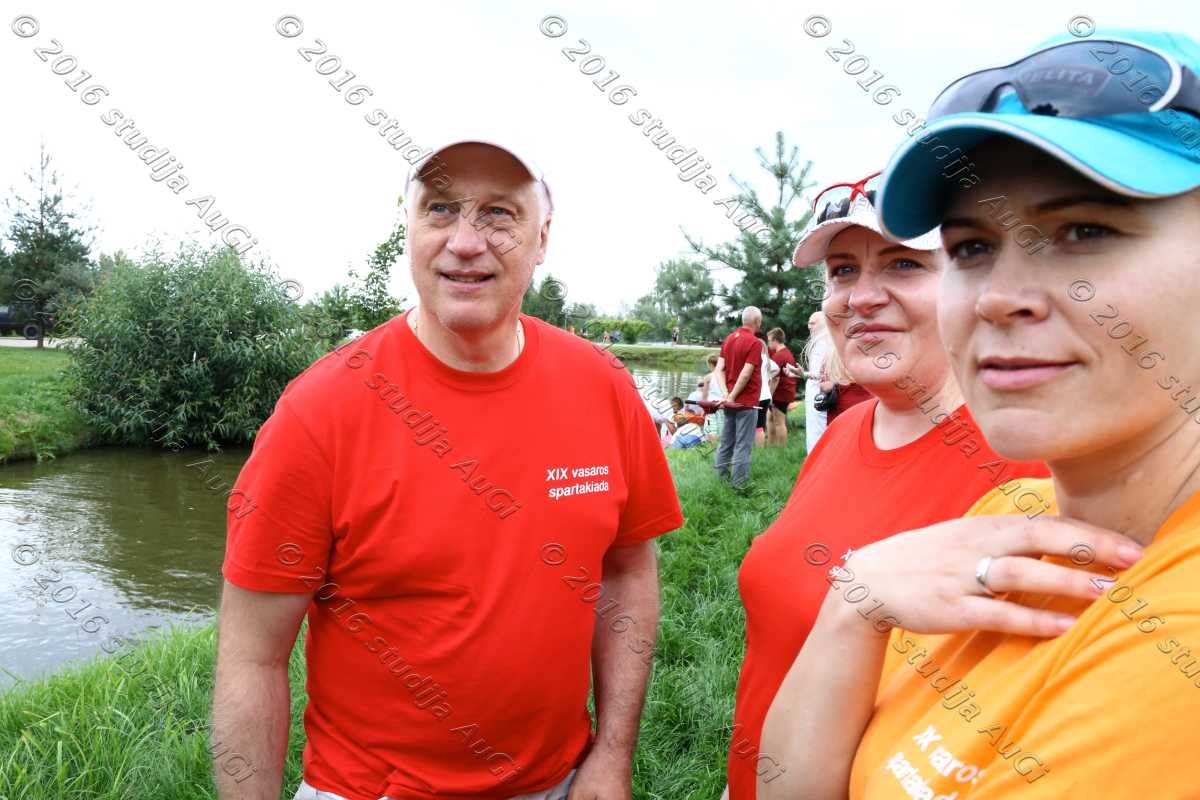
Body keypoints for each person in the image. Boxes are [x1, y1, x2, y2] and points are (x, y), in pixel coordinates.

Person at [762, 27, 1200, 799]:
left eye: (1085, 231)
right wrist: (853, 603)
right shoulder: (1011, 517)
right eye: (971, 246)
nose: (998, 296)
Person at [214, 139, 684, 800]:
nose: (466, 242)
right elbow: (252, 657)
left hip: (561, 782)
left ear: (542, 238)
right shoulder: (318, 413)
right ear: (408, 228)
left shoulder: (602, 386)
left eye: (498, 213)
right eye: (440, 209)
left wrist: (611, 754)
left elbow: (628, 571)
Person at [723, 169, 1049, 800]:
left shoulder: (1030, 467)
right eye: (843, 271)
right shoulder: (846, 431)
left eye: (903, 264)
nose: (862, 297)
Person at [713, 307, 766, 489]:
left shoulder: (729, 339)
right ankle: (739, 486)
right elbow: (746, 373)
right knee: (743, 445)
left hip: (729, 401)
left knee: (726, 442)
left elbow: (718, 369)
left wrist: (726, 395)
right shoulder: (755, 343)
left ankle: (720, 480)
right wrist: (732, 396)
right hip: (746, 402)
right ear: (757, 322)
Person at [766, 328, 797, 447]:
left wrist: (769, 395)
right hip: (785, 391)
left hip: (780, 393)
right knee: (770, 418)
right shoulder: (786, 353)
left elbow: (775, 378)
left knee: (779, 422)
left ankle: (781, 449)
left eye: (769, 341)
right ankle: (771, 446)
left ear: (775, 340)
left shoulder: (779, 356)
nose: (768, 344)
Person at [755, 335, 782, 447]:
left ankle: (758, 448)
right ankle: (760, 448)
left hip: (757, 396)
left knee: (756, 425)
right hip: (766, 395)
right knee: (760, 425)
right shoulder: (767, 360)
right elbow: (777, 369)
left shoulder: (756, 358)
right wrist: (768, 375)